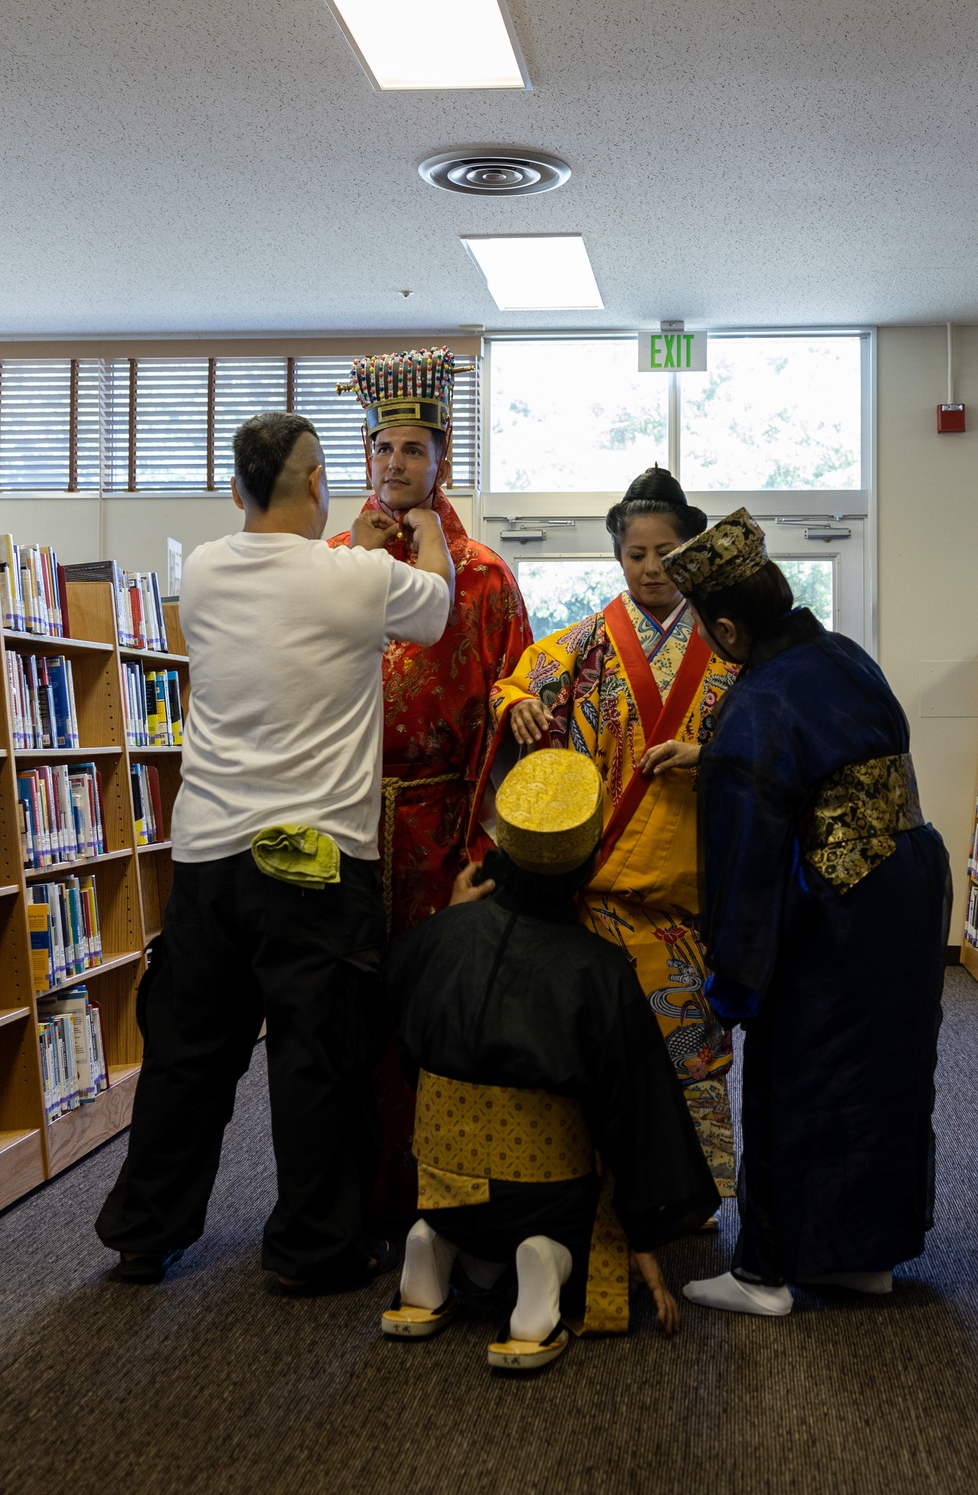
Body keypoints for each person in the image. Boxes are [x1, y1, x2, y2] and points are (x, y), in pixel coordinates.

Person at [96, 411, 453, 1288]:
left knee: (188, 1054)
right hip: (315, 863)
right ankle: (312, 1248)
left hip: (210, 856)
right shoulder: (360, 578)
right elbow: (438, 609)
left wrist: (353, 550)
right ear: (317, 483)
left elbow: (301, 578)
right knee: (316, 1058)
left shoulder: (206, 569)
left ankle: (146, 1231)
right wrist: (431, 532)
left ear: (234, 491)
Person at [652, 508, 950, 1316]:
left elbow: (749, 856)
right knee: (885, 1072)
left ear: (727, 627)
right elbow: (834, 755)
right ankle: (861, 1255)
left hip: (837, 904)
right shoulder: (842, 655)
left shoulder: (759, 702)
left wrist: (734, 978)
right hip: (909, 884)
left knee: (800, 1073)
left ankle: (767, 1273)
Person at [382, 748, 720, 1369]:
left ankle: (433, 1247)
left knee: (454, 1204)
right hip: (540, 1199)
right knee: (590, 1155)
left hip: (433, 1179)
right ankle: (546, 1266)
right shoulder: (600, 970)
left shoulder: (435, 937)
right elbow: (634, 1114)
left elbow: (406, 1053)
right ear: (589, 859)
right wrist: (644, 1234)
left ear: (503, 848)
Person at [479, 467, 740, 1196]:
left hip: (692, 885)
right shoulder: (585, 644)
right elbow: (513, 685)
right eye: (636, 554)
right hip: (597, 888)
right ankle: (597, 1183)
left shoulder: (728, 647)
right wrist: (515, 710)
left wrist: (710, 757)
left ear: (692, 551)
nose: (653, 568)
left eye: (667, 552)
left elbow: (772, 743)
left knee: (692, 1045)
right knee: (596, 1047)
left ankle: (697, 1188)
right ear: (617, 557)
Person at [329, 345, 532, 1210]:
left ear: (443, 457)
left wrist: (484, 842)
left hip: (440, 820)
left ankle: (437, 1193)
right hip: (338, 815)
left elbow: (512, 703)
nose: (397, 464)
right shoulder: (334, 563)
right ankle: (349, 1194)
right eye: (384, 448)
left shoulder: (483, 576)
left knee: (433, 1007)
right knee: (340, 1011)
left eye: (415, 449)